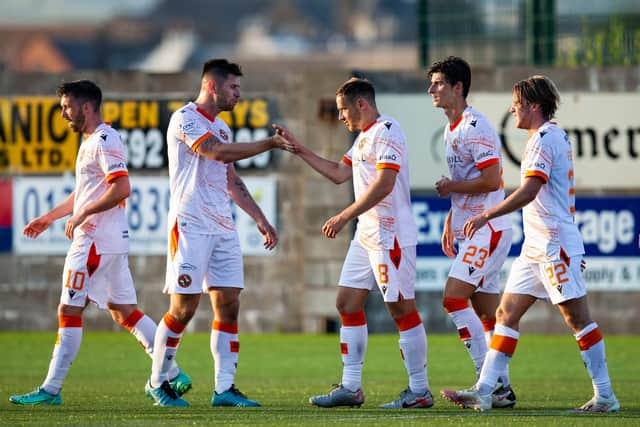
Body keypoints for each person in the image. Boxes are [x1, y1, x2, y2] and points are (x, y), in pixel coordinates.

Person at [440, 75, 619, 413]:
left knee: (577, 318)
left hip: (555, 245)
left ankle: (605, 395)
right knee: (506, 313)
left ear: (535, 106)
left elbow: (530, 190)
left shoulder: (544, 139)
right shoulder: (548, 136)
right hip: (534, 247)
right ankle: (485, 390)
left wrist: (486, 215)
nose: (513, 109)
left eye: (518, 103)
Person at [10, 80, 190, 405]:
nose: (63, 114)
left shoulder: (104, 139)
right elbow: (86, 193)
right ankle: (172, 372)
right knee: (125, 311)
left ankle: (50, 390)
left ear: (86, 107)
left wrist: (81, 216)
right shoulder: (92, 140)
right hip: (111, 241)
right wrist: (49, 217)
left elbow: (121, 188)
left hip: (93, 241)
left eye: (67, 107)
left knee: (68, 310)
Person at [274, 77, 433, 409]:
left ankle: (420, 391)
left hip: (391, 234)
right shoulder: (363, 139)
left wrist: (344, 215)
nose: (341, 117)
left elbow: (385, 184)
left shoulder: (388, 130)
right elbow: (337, 172)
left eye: (343, 109)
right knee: (346, 303)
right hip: (367, 234)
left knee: (401, 309)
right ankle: (351, 387)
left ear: (361, 104)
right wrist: (299, 149)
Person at [146, 58, 293, 407]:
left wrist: (260, 218)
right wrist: (268, 144)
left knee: (229, 305)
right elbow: (215, 152)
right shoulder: (185, 119)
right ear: (212, 86)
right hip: (191, 225)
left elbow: (230, 179)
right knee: (183, 308)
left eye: (239, 88)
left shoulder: (223, 127)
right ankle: (157, 382)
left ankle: (224, 389)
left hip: (222, 227)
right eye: (233, 87)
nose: (238, 94)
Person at [427, 56, 515, 408]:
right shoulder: (452, 128)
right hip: (472, 227)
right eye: (431, 83)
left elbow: (493, 179)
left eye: (438, 83)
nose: (431, 89)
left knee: (452, 298)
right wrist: (452, 215)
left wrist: (453, 186)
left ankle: (485, 382)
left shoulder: (474, 126)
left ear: (458, 87)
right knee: (488, 315)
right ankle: (502, 387)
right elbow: (470, 183)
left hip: (488, 228)